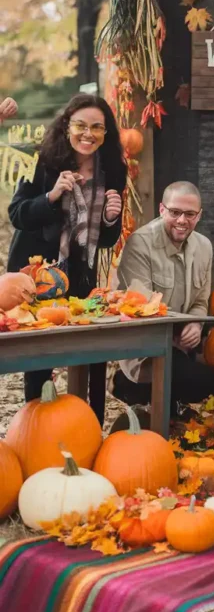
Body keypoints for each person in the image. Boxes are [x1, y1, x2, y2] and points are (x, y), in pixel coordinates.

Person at [8, 92, 127, 423]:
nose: (88, 134)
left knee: (88, 351)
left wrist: (109, 219)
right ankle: (36, 425)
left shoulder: (113, 169)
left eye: (97, 128)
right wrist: (52, 195)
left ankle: (90, 423)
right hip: (36, 271)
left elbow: (106, 239)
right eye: (80, 125)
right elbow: (17, 214)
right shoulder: (44, 159)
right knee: (39, 355)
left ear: (106, 133)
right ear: (66, 125)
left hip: (80, 272)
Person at [112, 181, 214, 411]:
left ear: (199, 215)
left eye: (190, 214)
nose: (182, 220)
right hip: (147, 349)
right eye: (175, 212)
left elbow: (199, 301)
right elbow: (145, 312)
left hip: (181, 348)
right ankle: (129, 385)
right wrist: (211, 322)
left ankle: (167, 400)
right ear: (161, 209)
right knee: (204, 382)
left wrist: (196, 322)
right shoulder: (140, 245)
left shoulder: (204, 247)